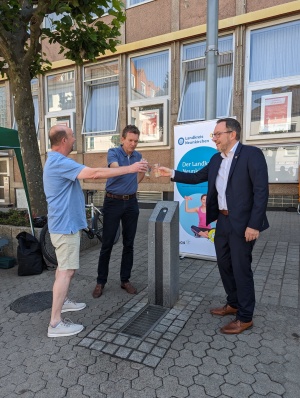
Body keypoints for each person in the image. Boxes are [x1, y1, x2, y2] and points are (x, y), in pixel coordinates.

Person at [159, 118, 269, 334]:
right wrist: (171, 173)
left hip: (244, 223)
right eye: (214, 135)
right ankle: (233, 303)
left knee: (241, 268)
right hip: (223, 220)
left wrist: (254, 225)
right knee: (224, 264)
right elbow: (198, 177)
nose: (214, 138)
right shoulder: (216, 159)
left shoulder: (251, 155)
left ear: (232, 134)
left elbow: (261, 191)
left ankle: (245, 317)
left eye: (218, 134)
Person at [43, 125, 147, 338]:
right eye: (72, 136)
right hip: (65, 226)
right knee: (67, 271)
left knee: (65, 268)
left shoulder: (56, 161)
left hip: (65, 224)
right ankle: (55, 323)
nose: (74, 139)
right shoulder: (59, 162)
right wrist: (130, 168)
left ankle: (63, 302)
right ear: (63, 140)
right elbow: (95, 173)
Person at [92, 125, 146, 299]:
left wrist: (135, 183)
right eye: (130, 140)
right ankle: (101, 282)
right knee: (107, 243)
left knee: (129, 243)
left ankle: (125, 280)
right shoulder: (113, 152)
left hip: (131, 202)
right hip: (113, 201)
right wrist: (131, 169)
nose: (133, 144)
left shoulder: (138, 156)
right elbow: (114, 169)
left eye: (136, 141)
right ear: (122, 139)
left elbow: (142, 173)